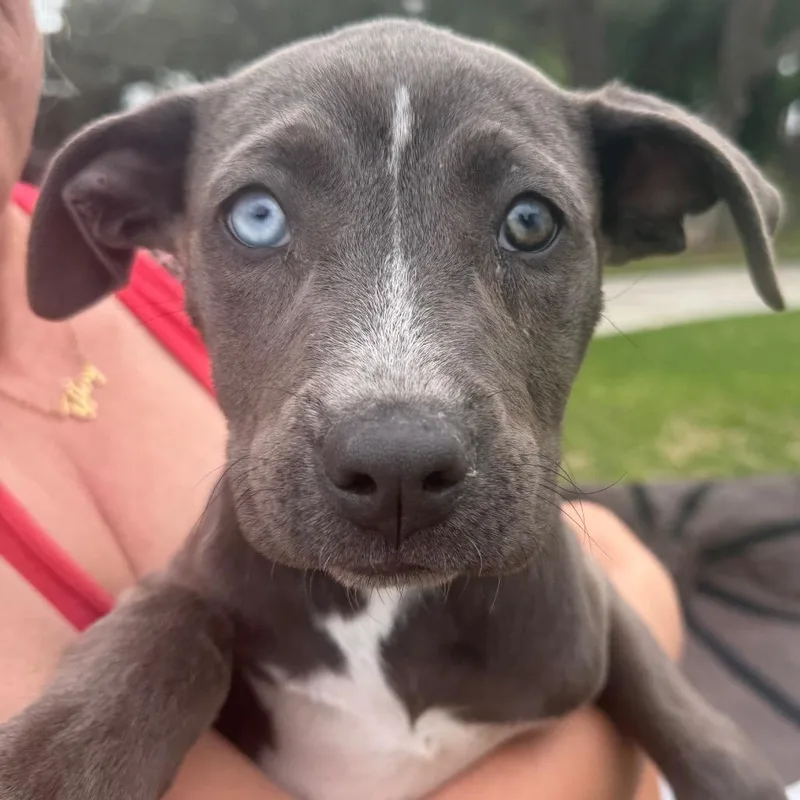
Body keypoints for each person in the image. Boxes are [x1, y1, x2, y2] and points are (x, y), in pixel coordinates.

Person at [0, 2, 681, 798]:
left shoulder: (173, 285)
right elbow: (625, 578)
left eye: (528, 223)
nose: (396, 424)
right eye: (260, 218)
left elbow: (621, 560)